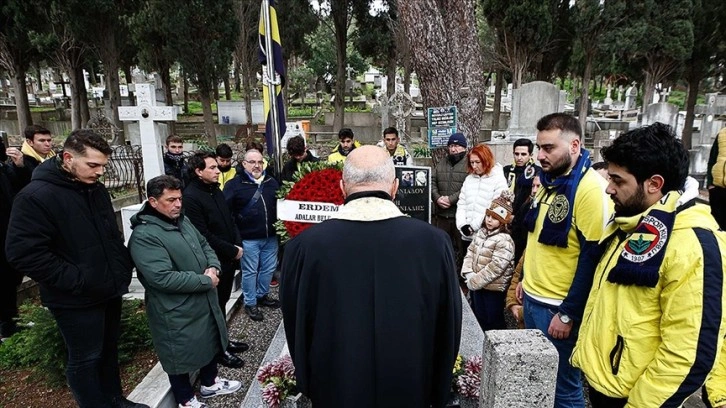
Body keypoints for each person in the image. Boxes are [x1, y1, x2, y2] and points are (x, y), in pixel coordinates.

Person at [281, 145, 462, 408]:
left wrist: (308, 382)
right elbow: (449, 323)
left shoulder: (303, 247)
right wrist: (439, 388)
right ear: (394, 187)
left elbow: (296, 323)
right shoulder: (434, 243)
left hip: (335, 386)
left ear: (342, 188)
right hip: (411, 384)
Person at [570, 123, 726, 407]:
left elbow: (688, 355)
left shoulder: (692, 245)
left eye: (618, 181)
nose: (608, 189)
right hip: (607, 384)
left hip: (637, 399)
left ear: (654, 184)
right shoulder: (633, 221)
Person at [5, 129, 147, 408]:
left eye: (104, 166)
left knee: (107, 351)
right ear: (68, 158)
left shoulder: (95, 189)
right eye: (93, 165)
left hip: (108, 288)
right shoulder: (36, 196)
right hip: (75, 298)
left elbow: (109, 235)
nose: (100, 172)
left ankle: (116, 400)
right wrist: (78, 280)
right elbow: (23, 253)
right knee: (86, 358)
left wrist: (119, 267)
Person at [517, 113, 610, 408]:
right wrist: (524, 281)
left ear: (574, 145)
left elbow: (592, 256)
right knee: (539, 381)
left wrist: (569, 313)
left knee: (563, 389)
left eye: (548, 148)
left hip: (557, 309)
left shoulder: (589, 189)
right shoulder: (550, 180)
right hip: (534, 298)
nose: (540, 156)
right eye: (538, 147)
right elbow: (538, 237)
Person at [129, 176, 242, 408]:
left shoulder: (182, 220)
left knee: (209, 339)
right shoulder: (145, 236)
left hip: (201, 299)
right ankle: (185, 400)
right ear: (153, 201)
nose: (178, 204)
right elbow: (161, 277)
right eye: (170, 200)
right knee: (177, 354)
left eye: (179, 198)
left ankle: (210, 383)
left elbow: (205, 245)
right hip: (175, 309)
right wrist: (204, 280)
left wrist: (214, 266)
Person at [183, 152, 249, 362]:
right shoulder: (191, 197)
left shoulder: (215, 190)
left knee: (222, 302)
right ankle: (218, 349)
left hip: (229, 255)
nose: (217, 171)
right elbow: (203, 234)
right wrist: (231, 249)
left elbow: (229, 219)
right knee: (215, 306)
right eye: (211, 168)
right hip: (214, 260)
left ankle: (225, 340)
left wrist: (237, 243)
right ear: (198, 171)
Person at [223, 149, 280, 322]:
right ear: (244, 164)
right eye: (252, 162)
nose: (257, 165)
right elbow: (228, 213)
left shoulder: (272, 182)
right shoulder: (234, 184)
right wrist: (236, 238)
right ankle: (250, 302)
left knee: (269, 269)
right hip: (248, 239)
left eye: (260, 162)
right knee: (250, 272)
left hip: (270, 236)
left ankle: (262, 295)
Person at [461, 190, 516, 331]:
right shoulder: (480, 234)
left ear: (503, 221)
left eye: (494, 218)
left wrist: (474, 282)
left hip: (493, 289)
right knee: (478, 317)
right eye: (488, 216)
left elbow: (496, 267)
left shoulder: (505, 240)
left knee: (493, 320)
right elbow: (470, 252)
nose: (489, 220)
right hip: (477, 285)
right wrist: (468, 273)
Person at [0, 143, 30, 340]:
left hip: (8, 232)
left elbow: (18, 187)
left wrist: (20, 166)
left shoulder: (3, 169)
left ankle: (10, 320)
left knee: (9, 280)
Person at [456, 144, 508, 243]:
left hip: (487, 236)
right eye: (472, 162)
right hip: (466, 235)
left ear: (486, 160)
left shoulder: (498, 179)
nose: (474, 166)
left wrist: (473, 227)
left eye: (477, 162)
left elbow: (495, 207)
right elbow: (462, 203)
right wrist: (461, 225)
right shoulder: (469, 179)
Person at [431, 133, 469, 268]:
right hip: (441, 216)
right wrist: (436, 197)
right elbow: (432, 181)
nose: (453, 149)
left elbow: (468, 186)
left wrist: (451, 200)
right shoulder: (442, 162)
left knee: (462, 249)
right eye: (451, 146)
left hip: (459, 216)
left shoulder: (469, 164)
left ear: (464, 147)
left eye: (457, 146)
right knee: (440, 248)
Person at [503, 138, 541, 215]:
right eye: (516, 154)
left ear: (531, 155)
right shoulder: (506, 170)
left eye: (523, 154)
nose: (519, 158)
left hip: (525, 217)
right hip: (504, 214)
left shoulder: (538, 172)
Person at [707, 127, 726, 230]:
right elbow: (712, 159)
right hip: (717, 189)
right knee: (716, 224)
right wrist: (710, 184)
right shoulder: (722, 134)